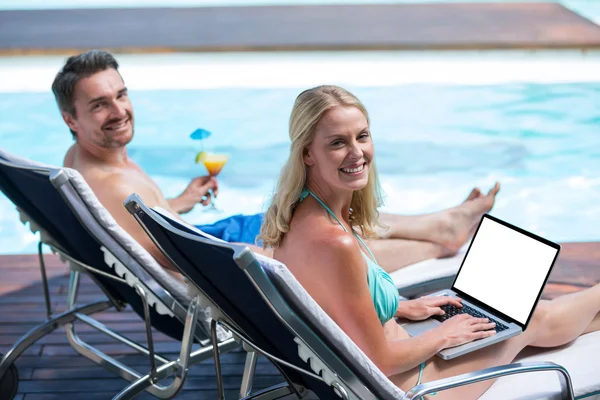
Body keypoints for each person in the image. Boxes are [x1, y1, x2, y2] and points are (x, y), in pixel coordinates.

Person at [258, 85, 600, 398]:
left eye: (362, 136)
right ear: (307, 153)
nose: (356, 152)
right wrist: (443, 334)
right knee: (531, 320)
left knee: (516, 319)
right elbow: (381, 360)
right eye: (337, 142)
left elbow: (327, 303)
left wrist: (396, 306)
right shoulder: (335, 242)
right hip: (411, 385)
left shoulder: (298, 215)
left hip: (375, 371)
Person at [52, 49, 499, 274]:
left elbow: (146, 227)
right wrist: (264, 258)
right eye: (99, 106)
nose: (119, 111)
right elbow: (165, 256)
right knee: (324, 234)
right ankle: (439, 243)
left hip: (214, 236)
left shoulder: (88, 160)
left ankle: (441, 228)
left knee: (322, 218)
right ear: (71, 118)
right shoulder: (108, 181)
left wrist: (179, 201)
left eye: (121, 94)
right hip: (225, 256)